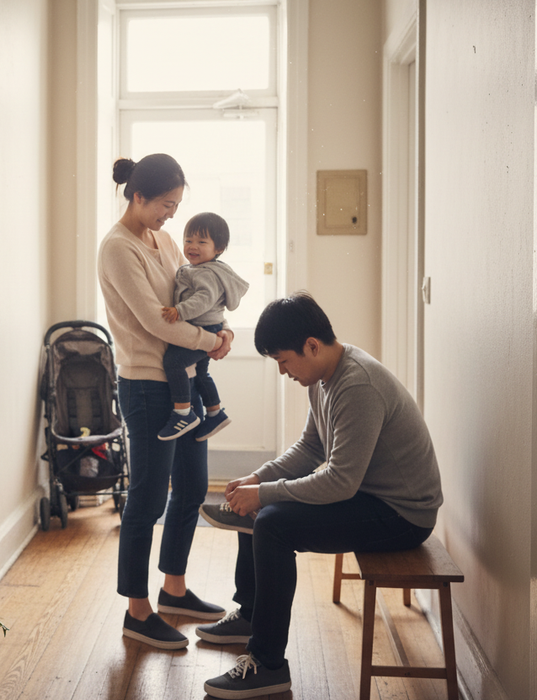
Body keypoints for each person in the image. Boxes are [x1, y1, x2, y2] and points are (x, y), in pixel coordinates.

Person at [196, 292, 443, 698]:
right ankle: (253, 615)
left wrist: (265, 494)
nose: (282, 372)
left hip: (403, 515)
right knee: (258, 506)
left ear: (311, 345)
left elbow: (340, 481)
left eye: (283, 361)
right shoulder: (325, 377)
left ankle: (268, 664)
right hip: (371, 496)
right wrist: (258, 479)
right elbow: (311, 449)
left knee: (272, 522)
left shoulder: (357, 385)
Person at [97, 154, 235, 650]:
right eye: (165, 205)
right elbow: (157, 321)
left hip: (186, 382)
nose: (172, 215)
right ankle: (137, 610)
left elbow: (197, 296)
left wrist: (223, 331)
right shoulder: (117, 248)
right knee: (150, 497)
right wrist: (208, 341)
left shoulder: (164, 240)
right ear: (138, 196)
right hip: (148, 386)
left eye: (176, 206)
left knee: (193, 487)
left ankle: (173, 589)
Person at [158, 212, 249, 442]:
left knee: (173, 362)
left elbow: (204, 299)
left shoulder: (206, 273)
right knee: (201, 373)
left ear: (218, 248)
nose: (192, 247)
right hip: (211, 326)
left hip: (205, 329)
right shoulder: (203, 269)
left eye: (201, 242)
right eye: (188, 240)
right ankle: (215, 413)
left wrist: (180, 311)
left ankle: (183, 413)